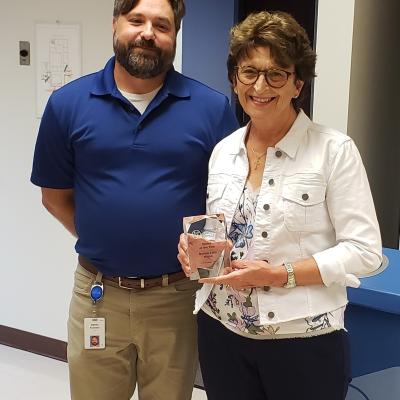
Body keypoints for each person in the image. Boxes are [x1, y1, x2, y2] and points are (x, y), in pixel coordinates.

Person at [31, 0, 238, 398]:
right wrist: (103, 240)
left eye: (162, 24)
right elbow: (54, 196)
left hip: (176, 298)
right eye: (136, 20)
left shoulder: (212, 109)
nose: (147, 32)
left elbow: (224, 201)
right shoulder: (68, 104)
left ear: (175, 35)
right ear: (115, 25)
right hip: (98, 295)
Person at [178, 11, 382, 400]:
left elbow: (365, 252)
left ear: (297, 84)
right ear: (235, 79)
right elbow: (219, 231)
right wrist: (194, 250)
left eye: (276, 73)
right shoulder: (224, 151)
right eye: (248, 72)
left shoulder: (334, 151)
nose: (260, 85)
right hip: (221, 333)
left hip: (302, 341)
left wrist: (279, 275)